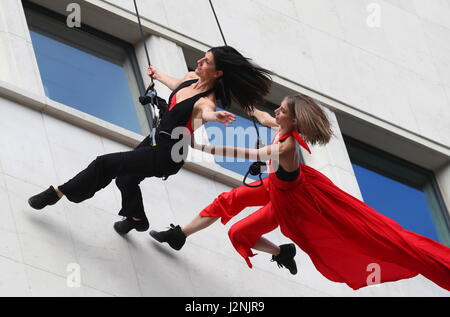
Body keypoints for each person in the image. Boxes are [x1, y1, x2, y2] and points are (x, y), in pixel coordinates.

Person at [150, 94, 450, 291]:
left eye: (281, 109)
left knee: (238, 234)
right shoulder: (280, 126)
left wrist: (200, 146)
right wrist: (239, 98)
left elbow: (246, 152)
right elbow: (261, 115)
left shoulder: (286, 147)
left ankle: (283, 251)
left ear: (292, 120)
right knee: (227, 200)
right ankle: (180, 236)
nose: (276, 110)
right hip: (276, 188)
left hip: (291, 202)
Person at [28, 46, 273, 235]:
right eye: (202, 57)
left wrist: (215, 116)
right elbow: (177, 86)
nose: (199, 62)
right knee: (125, 178)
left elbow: (205, 112)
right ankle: (137, 219)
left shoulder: (206, 102)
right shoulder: (190, 77)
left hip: (168, 154)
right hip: (156, 138)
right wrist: (158, 74)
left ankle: (58, 193)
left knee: (105, 164)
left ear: (218, 73)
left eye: (206, 61)